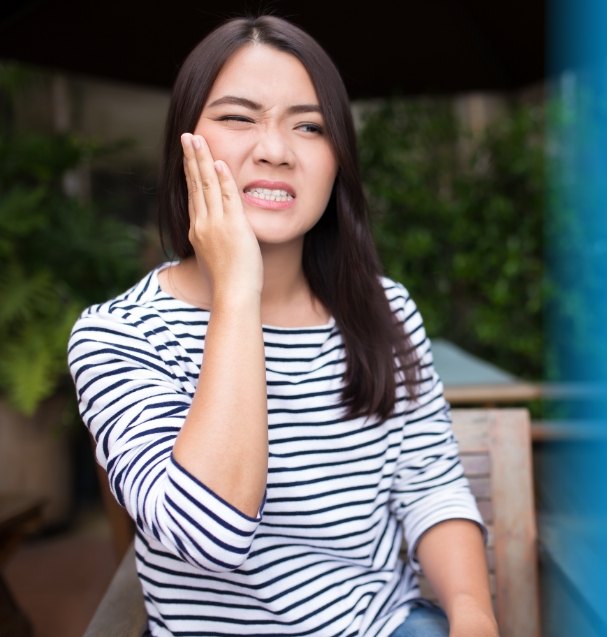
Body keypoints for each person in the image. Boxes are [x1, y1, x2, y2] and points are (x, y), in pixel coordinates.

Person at [67, 14, 497, 637]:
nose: (275, 149)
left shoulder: (383, 310)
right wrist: (239, 288)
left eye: (310, 125)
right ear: (183, 143)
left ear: (337, 161)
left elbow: (431, 488)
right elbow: (207, 535)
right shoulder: (118, 337)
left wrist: (473, 616)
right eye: (239, 118)